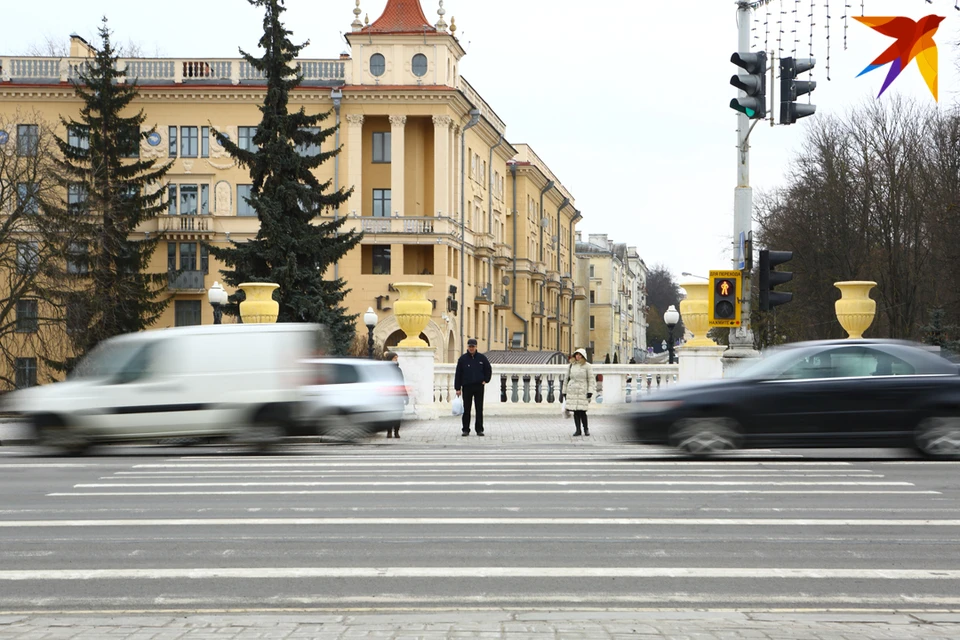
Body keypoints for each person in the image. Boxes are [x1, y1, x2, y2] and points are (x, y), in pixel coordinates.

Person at [454, 338, 492, 436]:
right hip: (466, 387)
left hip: (479, 386)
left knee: (479, 409)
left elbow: (488, 369)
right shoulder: (462, 359)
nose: (471, 348)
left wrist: (486, 380)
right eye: (470, 346)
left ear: (476, 347)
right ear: (467, 347)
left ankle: (479, 429)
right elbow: (458, 374)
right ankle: (465, 429)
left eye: (473, 346)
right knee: (467, 409)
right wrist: (457, 388)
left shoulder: (482, 358)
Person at [564, 348, 596, 436]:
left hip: (582, 390)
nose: (578, 356)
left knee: (582, 411)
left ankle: (586, 429)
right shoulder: (571, 365)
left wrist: (590, 391)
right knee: (575, 412)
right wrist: (564, 391)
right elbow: (566, 379)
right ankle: (578, 430)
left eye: (579, 355)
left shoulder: (587, 366)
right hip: (573, 391)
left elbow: (591, 379)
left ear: (583, 356)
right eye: (576, 355)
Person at [383, 351, 404, 438]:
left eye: (396, 358)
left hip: (398, 396)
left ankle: (396, 431)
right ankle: (389, 432)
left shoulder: (398, 370)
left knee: (398, 414)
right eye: (395, 358)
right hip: (389, 396)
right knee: (389, 414)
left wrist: (405, 396)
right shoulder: (385, 369)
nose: (396, 360)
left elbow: (402, 383)